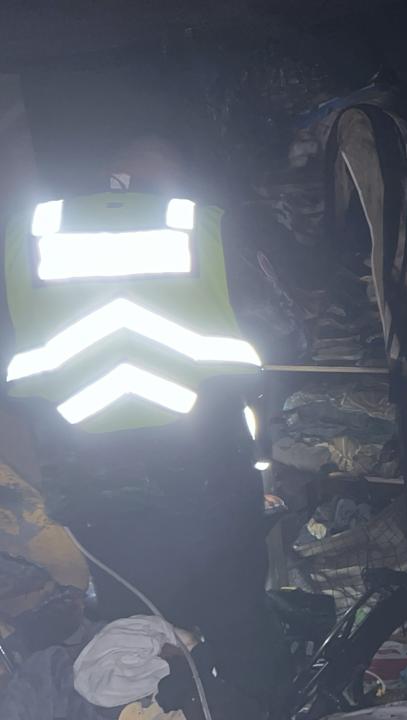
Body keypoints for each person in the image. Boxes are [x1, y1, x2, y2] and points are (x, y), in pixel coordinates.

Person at [1, 136, 288, 717]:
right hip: (204, 468)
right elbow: (275, 330)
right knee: (232, 619)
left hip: (93, 479)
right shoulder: (200, 224)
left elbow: (20, 360)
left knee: (134, 631)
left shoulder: (29, 234)